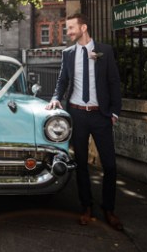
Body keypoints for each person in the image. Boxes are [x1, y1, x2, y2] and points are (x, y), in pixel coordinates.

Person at [45, 13, 123, 231]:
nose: (68, 32)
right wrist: (54, 98)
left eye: (71, 28)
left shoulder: (104, 51)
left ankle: (109, 208)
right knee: (80, 166)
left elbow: (114, 82)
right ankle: (86, 207)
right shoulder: (68, 54)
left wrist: (115, 112)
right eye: (67, 28)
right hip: (77, 115)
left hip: (100, 116)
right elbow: (62, 80)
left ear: (84, 27)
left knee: (110, 165)